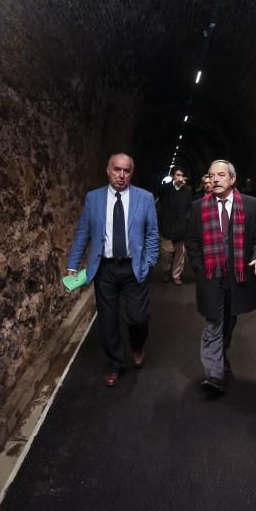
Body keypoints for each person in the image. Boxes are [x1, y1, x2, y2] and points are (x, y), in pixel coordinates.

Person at [67, 153, 160, 387]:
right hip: (105, 269)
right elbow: (83, 233)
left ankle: (137, 345)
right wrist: (73, 264)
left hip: (134, 267)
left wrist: (148, 262)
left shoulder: (145, 198)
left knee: (138, 317)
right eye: (117, 169)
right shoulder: (93, 198)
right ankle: (115, 362)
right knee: (107, 320)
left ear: (132, 172)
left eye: (126, 170)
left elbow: (151, 233)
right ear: (108, 170)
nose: (121, 175)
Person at [185, 159, 256, 395]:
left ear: (232, 179)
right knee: (213, 323)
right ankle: (215, 375)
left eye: (221, 175)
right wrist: (199, 267)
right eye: (212, 175)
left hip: (239, 278)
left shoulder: (251, 205)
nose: (216, 179)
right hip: (211, 278)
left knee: (229, 323)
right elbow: (192, 240)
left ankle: (220, 356)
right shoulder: (198, 207)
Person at [156, 167, 192, 285]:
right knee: (166, 254)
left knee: (180, 255)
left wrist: (186, 221)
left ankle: (176, 275)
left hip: (181, 227)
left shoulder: (187, 190)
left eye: (182, 175)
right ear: (173, 176)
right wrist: (172, 184)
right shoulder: (166, 189)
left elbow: (189, 207)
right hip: (167, 226)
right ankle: (166, 271)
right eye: (178, 175)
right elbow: (159, 194)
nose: (180, 177)